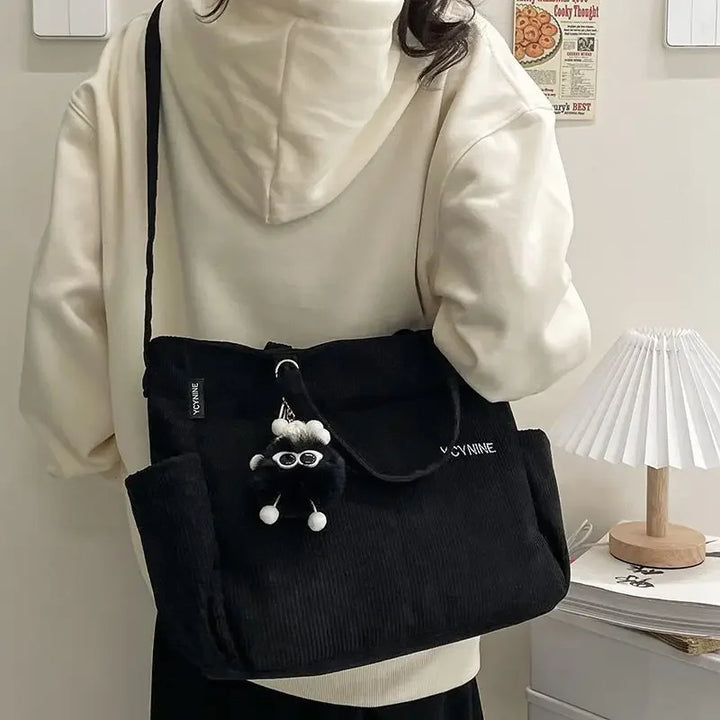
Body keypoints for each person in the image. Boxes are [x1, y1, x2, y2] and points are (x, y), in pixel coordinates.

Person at [19, 0, 591, 717]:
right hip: (419, 625)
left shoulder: (138, 63)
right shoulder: (459, 61)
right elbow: (510, 346)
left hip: (218, 615)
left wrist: (165, 459)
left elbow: (69, 387)